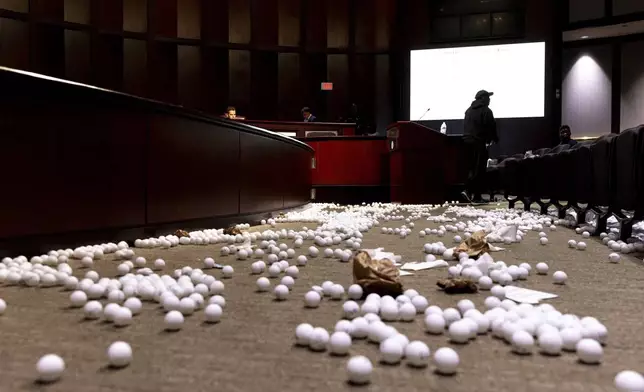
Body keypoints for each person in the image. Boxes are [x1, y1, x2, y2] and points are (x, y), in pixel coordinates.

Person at [461, 90, 498, 204]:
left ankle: (469, 192)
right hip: (478, 143)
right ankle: (474, 195)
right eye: (488, 97)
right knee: (479, 169)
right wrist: (493, 139)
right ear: (482, 98)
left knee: (470, 168)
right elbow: (490, 127)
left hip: (466, 143)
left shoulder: (468, 111)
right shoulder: (486, 111)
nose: (489, 99)